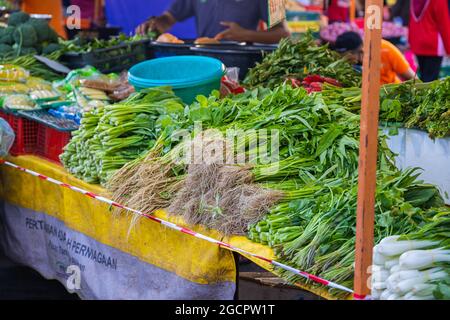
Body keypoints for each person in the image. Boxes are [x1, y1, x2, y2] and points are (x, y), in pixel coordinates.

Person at [135, 0, 290, 44]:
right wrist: (156, 24)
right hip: (204, 61)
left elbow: (284, 33)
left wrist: (246, 35)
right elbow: (169, 18)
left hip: (243, 65)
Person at [334, 31, 416, 85]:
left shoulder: (385, 49)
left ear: (360, 51)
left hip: (392, 94)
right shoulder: (344, 68)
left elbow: (412, 77)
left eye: (345, 58)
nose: (343, 61)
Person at [408, 0, 450, 82]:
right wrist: (449, 48)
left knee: (423, 78)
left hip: (418, 44)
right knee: (431, 82)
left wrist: (411, 42)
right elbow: (443, 23)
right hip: (433, 45)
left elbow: (411, 20)